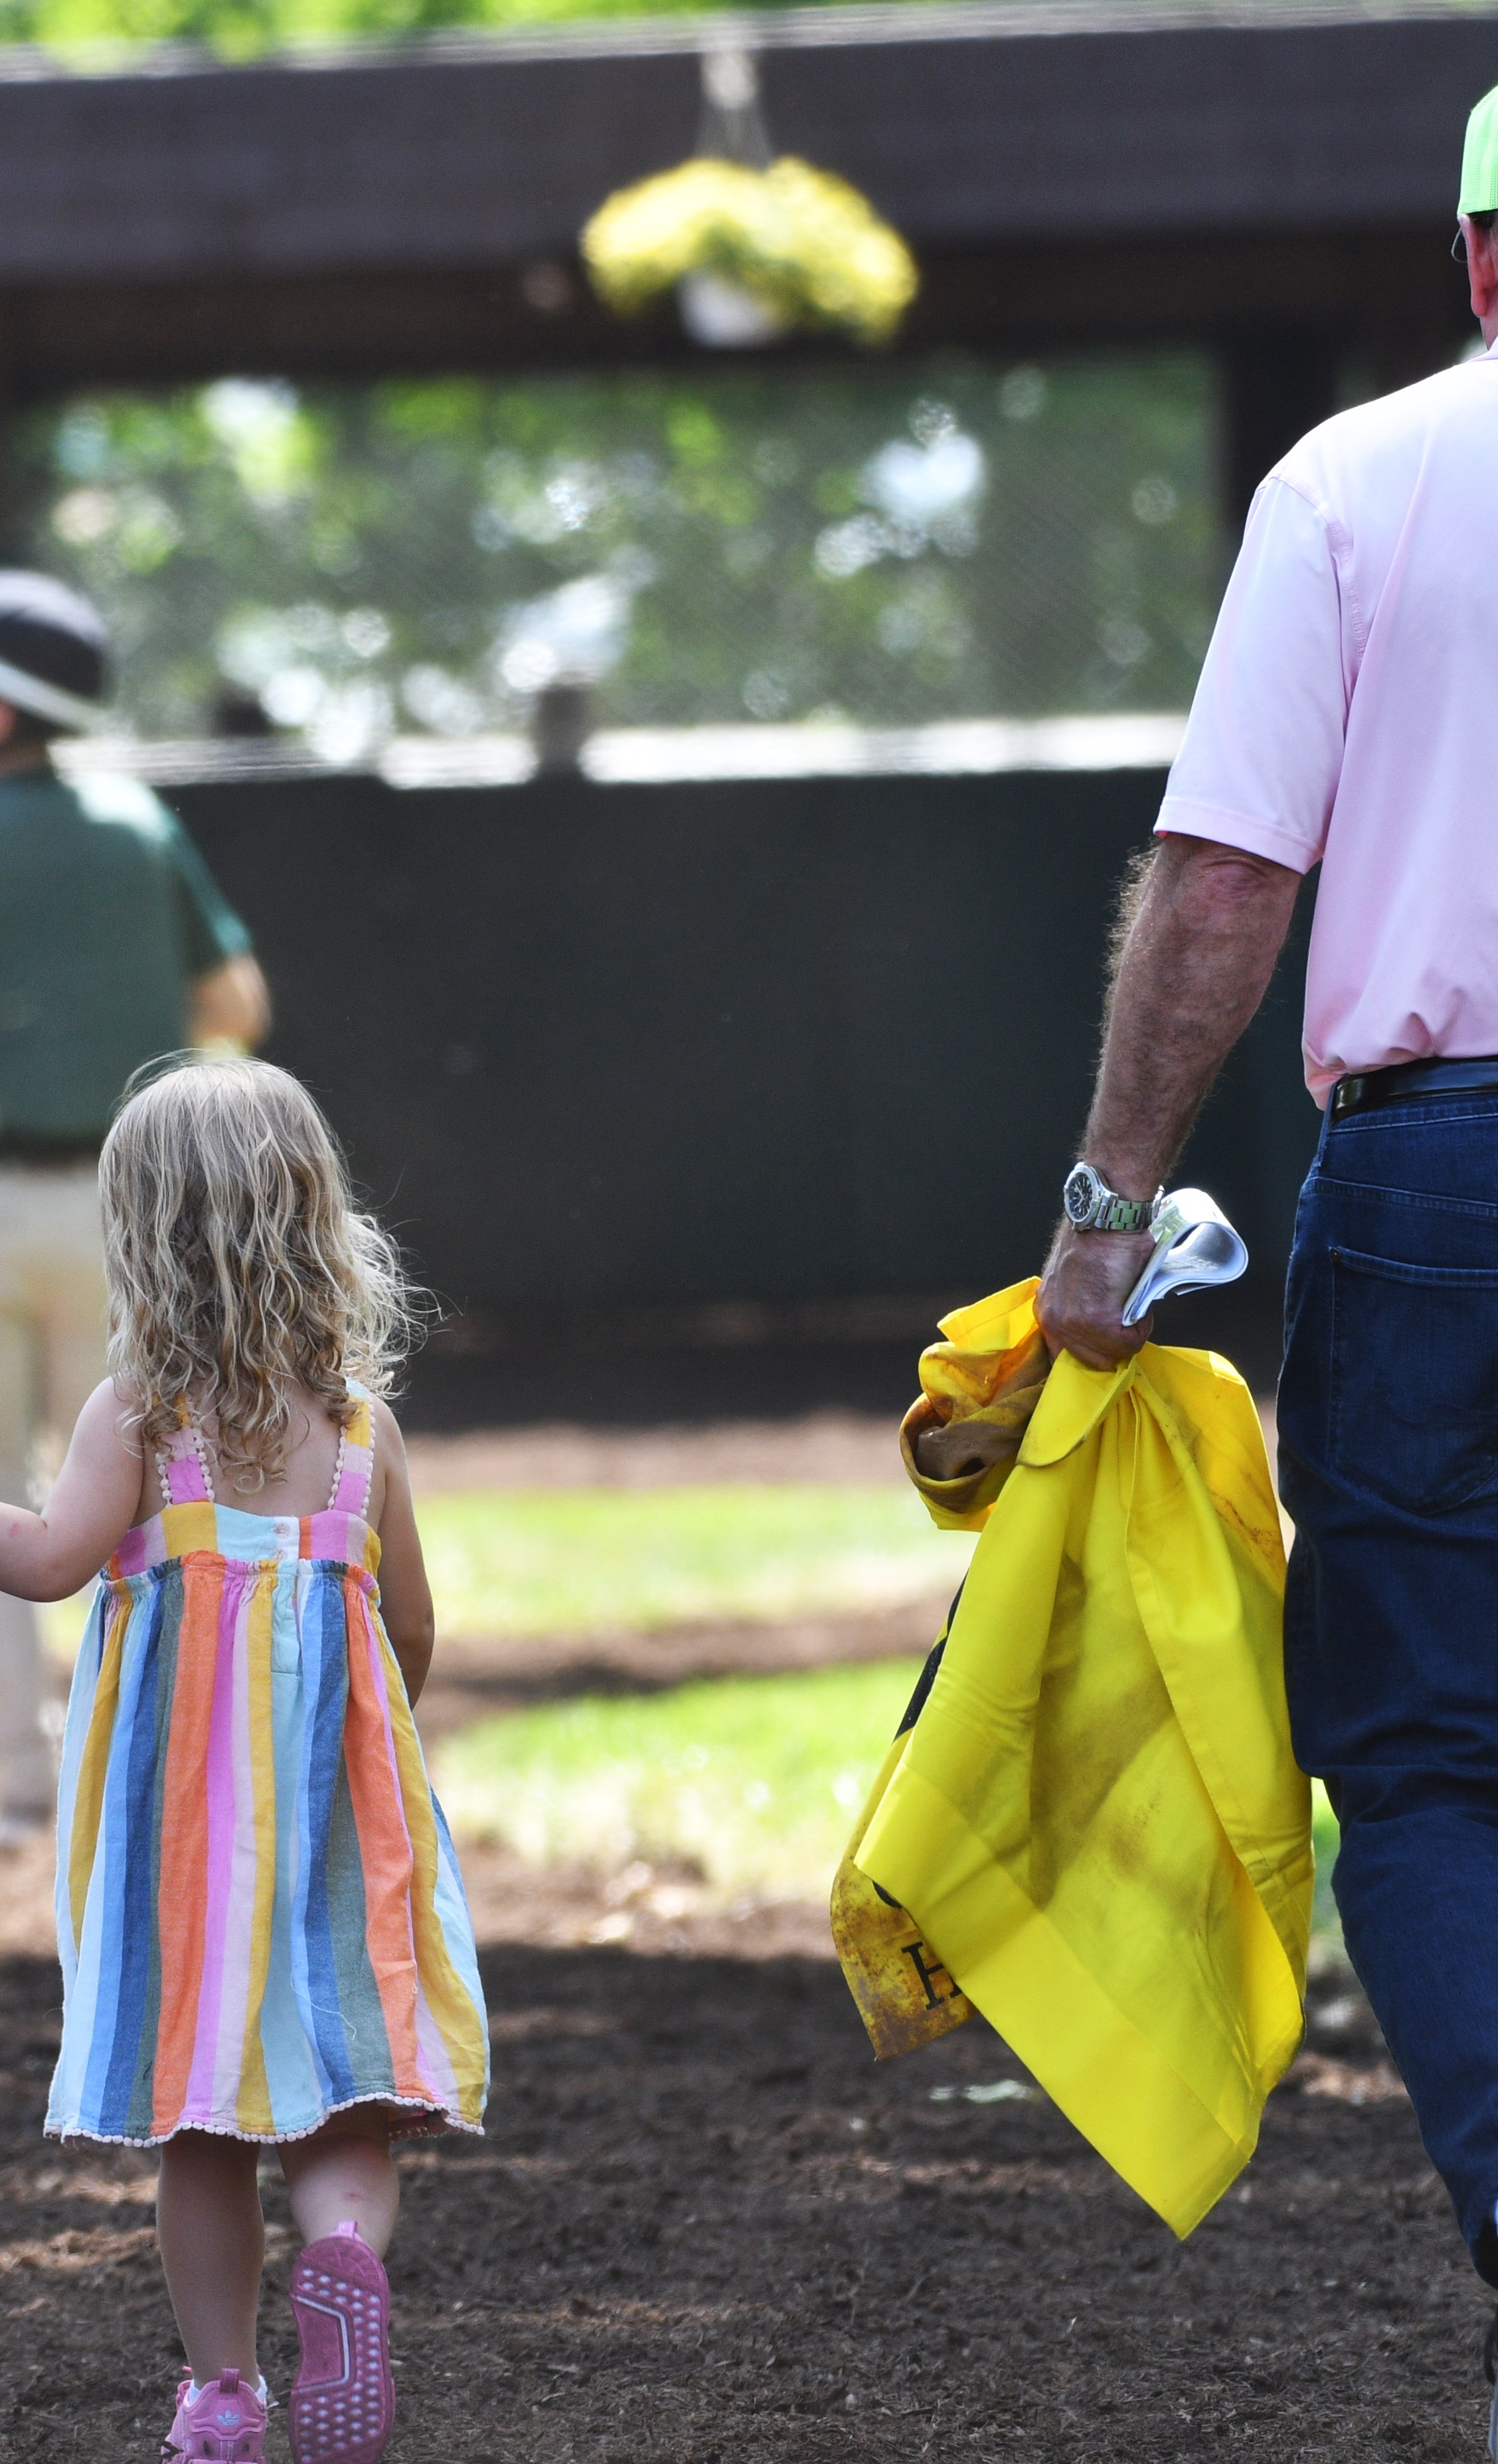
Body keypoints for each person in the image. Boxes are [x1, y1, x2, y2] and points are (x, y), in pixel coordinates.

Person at [1034, 86, 1498, 2454]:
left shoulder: (1346, 484)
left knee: (1420, 1752)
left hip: (1434, 1168)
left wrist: (1100, 1219)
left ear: (1473, 258)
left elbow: (1222, 888)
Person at [0, 1058, 485, 2464]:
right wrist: (368, 1763)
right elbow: (413, 1625)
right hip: (336, 1816)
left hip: (190, 1838)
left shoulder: (141, 1415)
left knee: (201, 2114)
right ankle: (344, 2253)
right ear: (318, 1217)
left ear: (137, 1234)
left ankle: (223, 2389)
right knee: (344, 2097)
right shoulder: (361, 1430)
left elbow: (44, 1557)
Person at [0, 566, 268, 1843]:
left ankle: (25, 1788)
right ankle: (148, 1771)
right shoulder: (136, 825)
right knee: (150, 1497)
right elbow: (236, 1006)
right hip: (133, 1228)